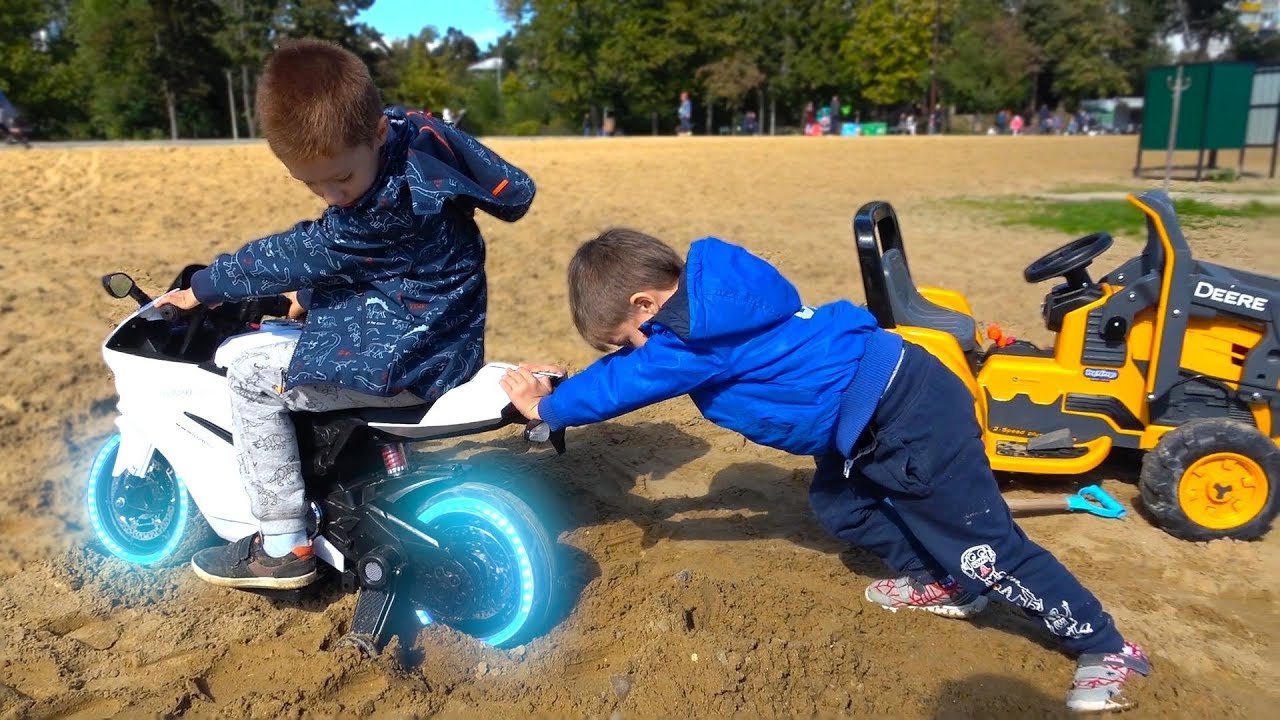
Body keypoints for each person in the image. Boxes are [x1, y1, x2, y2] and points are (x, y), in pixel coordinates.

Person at [499, 229, 1151, 712]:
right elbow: (635, 367)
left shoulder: (694, 334)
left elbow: (634, 379)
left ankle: (1104, 645)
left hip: (905, 419)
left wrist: (549, 406)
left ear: (646, 303)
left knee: (984, 545)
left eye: (621, 338)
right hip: (866, 422)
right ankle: (947, 584)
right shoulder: (713, 297)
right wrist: (574, 383)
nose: (627, 352)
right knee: (843, 505)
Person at [152, 38, 536, 590]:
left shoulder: (376, 212)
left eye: (340, 179)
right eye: (310, 184)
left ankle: (283, 542)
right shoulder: (416, 139)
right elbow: (376, 261)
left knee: (253, 379)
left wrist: (202, 289)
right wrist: (306, 298)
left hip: (408, 358)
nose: (331, 196)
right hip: (444, 325)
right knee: (302, 323)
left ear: (375, 133)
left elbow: (298, 253)